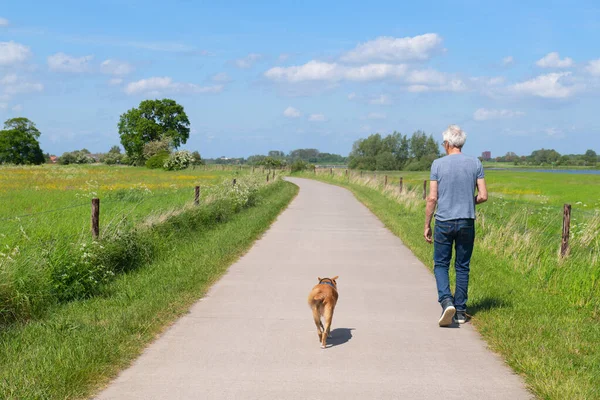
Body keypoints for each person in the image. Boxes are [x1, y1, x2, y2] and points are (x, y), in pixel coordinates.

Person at [424, 125, 487, 327]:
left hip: (444, 221)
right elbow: (483, 196)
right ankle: (460, 311)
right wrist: (469, 202)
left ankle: (446, 301)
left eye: (444, 143)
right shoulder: (475, 163)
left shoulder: (437, 165)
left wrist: (427, 224)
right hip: (467, 221)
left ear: (448, 144)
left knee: (441, 264)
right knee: (462, 266)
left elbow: (432, 197)